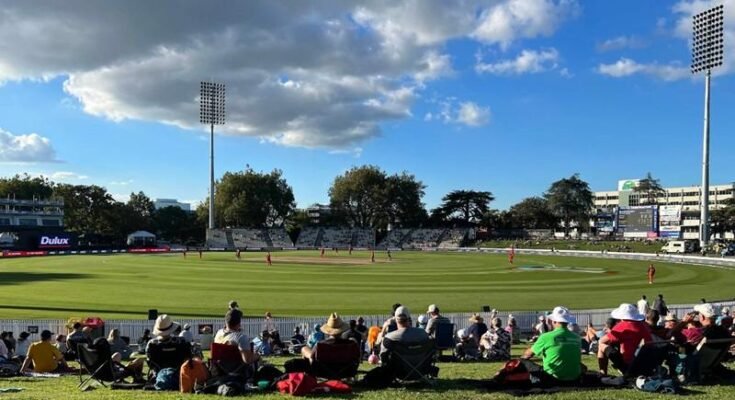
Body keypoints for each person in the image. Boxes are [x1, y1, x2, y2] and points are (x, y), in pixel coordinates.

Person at [520, 306, 582, 385]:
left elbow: (528, 355)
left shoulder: (546, 337)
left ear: (554, 321)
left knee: (523, 361)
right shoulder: (577, 337)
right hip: (574, 377)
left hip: (553, 378)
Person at [597, 303, 652, 376]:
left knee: (601, 345)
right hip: (643, 364)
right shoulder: (643, 326)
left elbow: (602, 341)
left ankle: (603, 373)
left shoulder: (622, 326)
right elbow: (649, 343)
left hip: (627, 365)